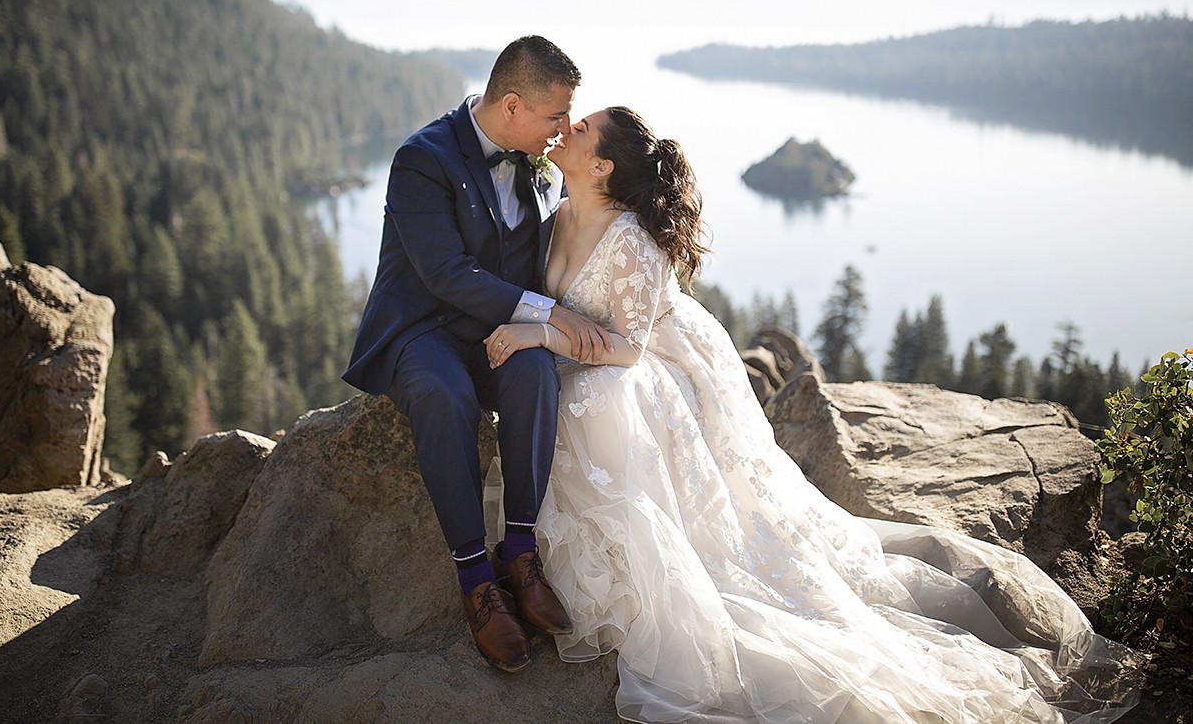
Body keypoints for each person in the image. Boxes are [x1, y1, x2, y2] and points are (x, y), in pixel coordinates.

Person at [484, 106, 1140, 722]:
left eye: (584, 126)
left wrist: (545, 335)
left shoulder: (628, 239)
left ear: (602, 166)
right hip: (593, 353)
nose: (567, 127)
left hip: (645, 359)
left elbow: (626, 348)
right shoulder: (558, 208)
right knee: (563, 394)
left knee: (597, 401)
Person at [342, 36, 614, 673]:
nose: (562, 131)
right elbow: (445, 273)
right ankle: (475, 582)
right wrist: (551, 316)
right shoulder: (422, 158)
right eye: (555, 117)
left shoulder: (535, 160)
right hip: (424, 327)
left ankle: (519, 550)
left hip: (498, 329)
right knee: (444, 394)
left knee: (537, 373)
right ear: (513, 106)